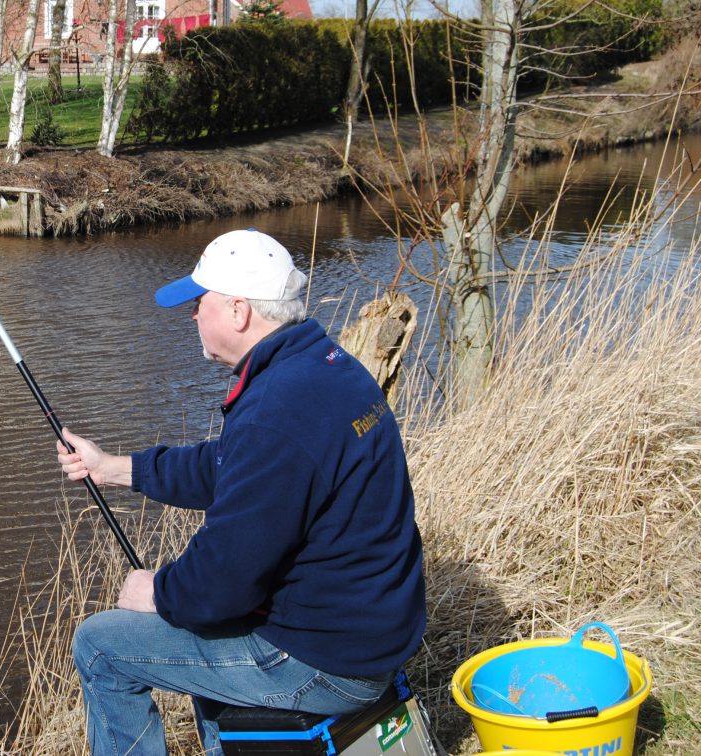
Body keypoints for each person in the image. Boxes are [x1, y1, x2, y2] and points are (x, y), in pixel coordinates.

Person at [57, 228, 425, 756]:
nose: (191, 316)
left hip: (327, 661)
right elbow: (231, 466)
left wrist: (156, 591)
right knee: (202, 627)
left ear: (237, 312)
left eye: (198, 303)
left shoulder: (277, 411)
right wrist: (113, 468)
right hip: (370, 634)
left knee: (101, 644)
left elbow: (220, 587)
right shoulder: (325, 368)